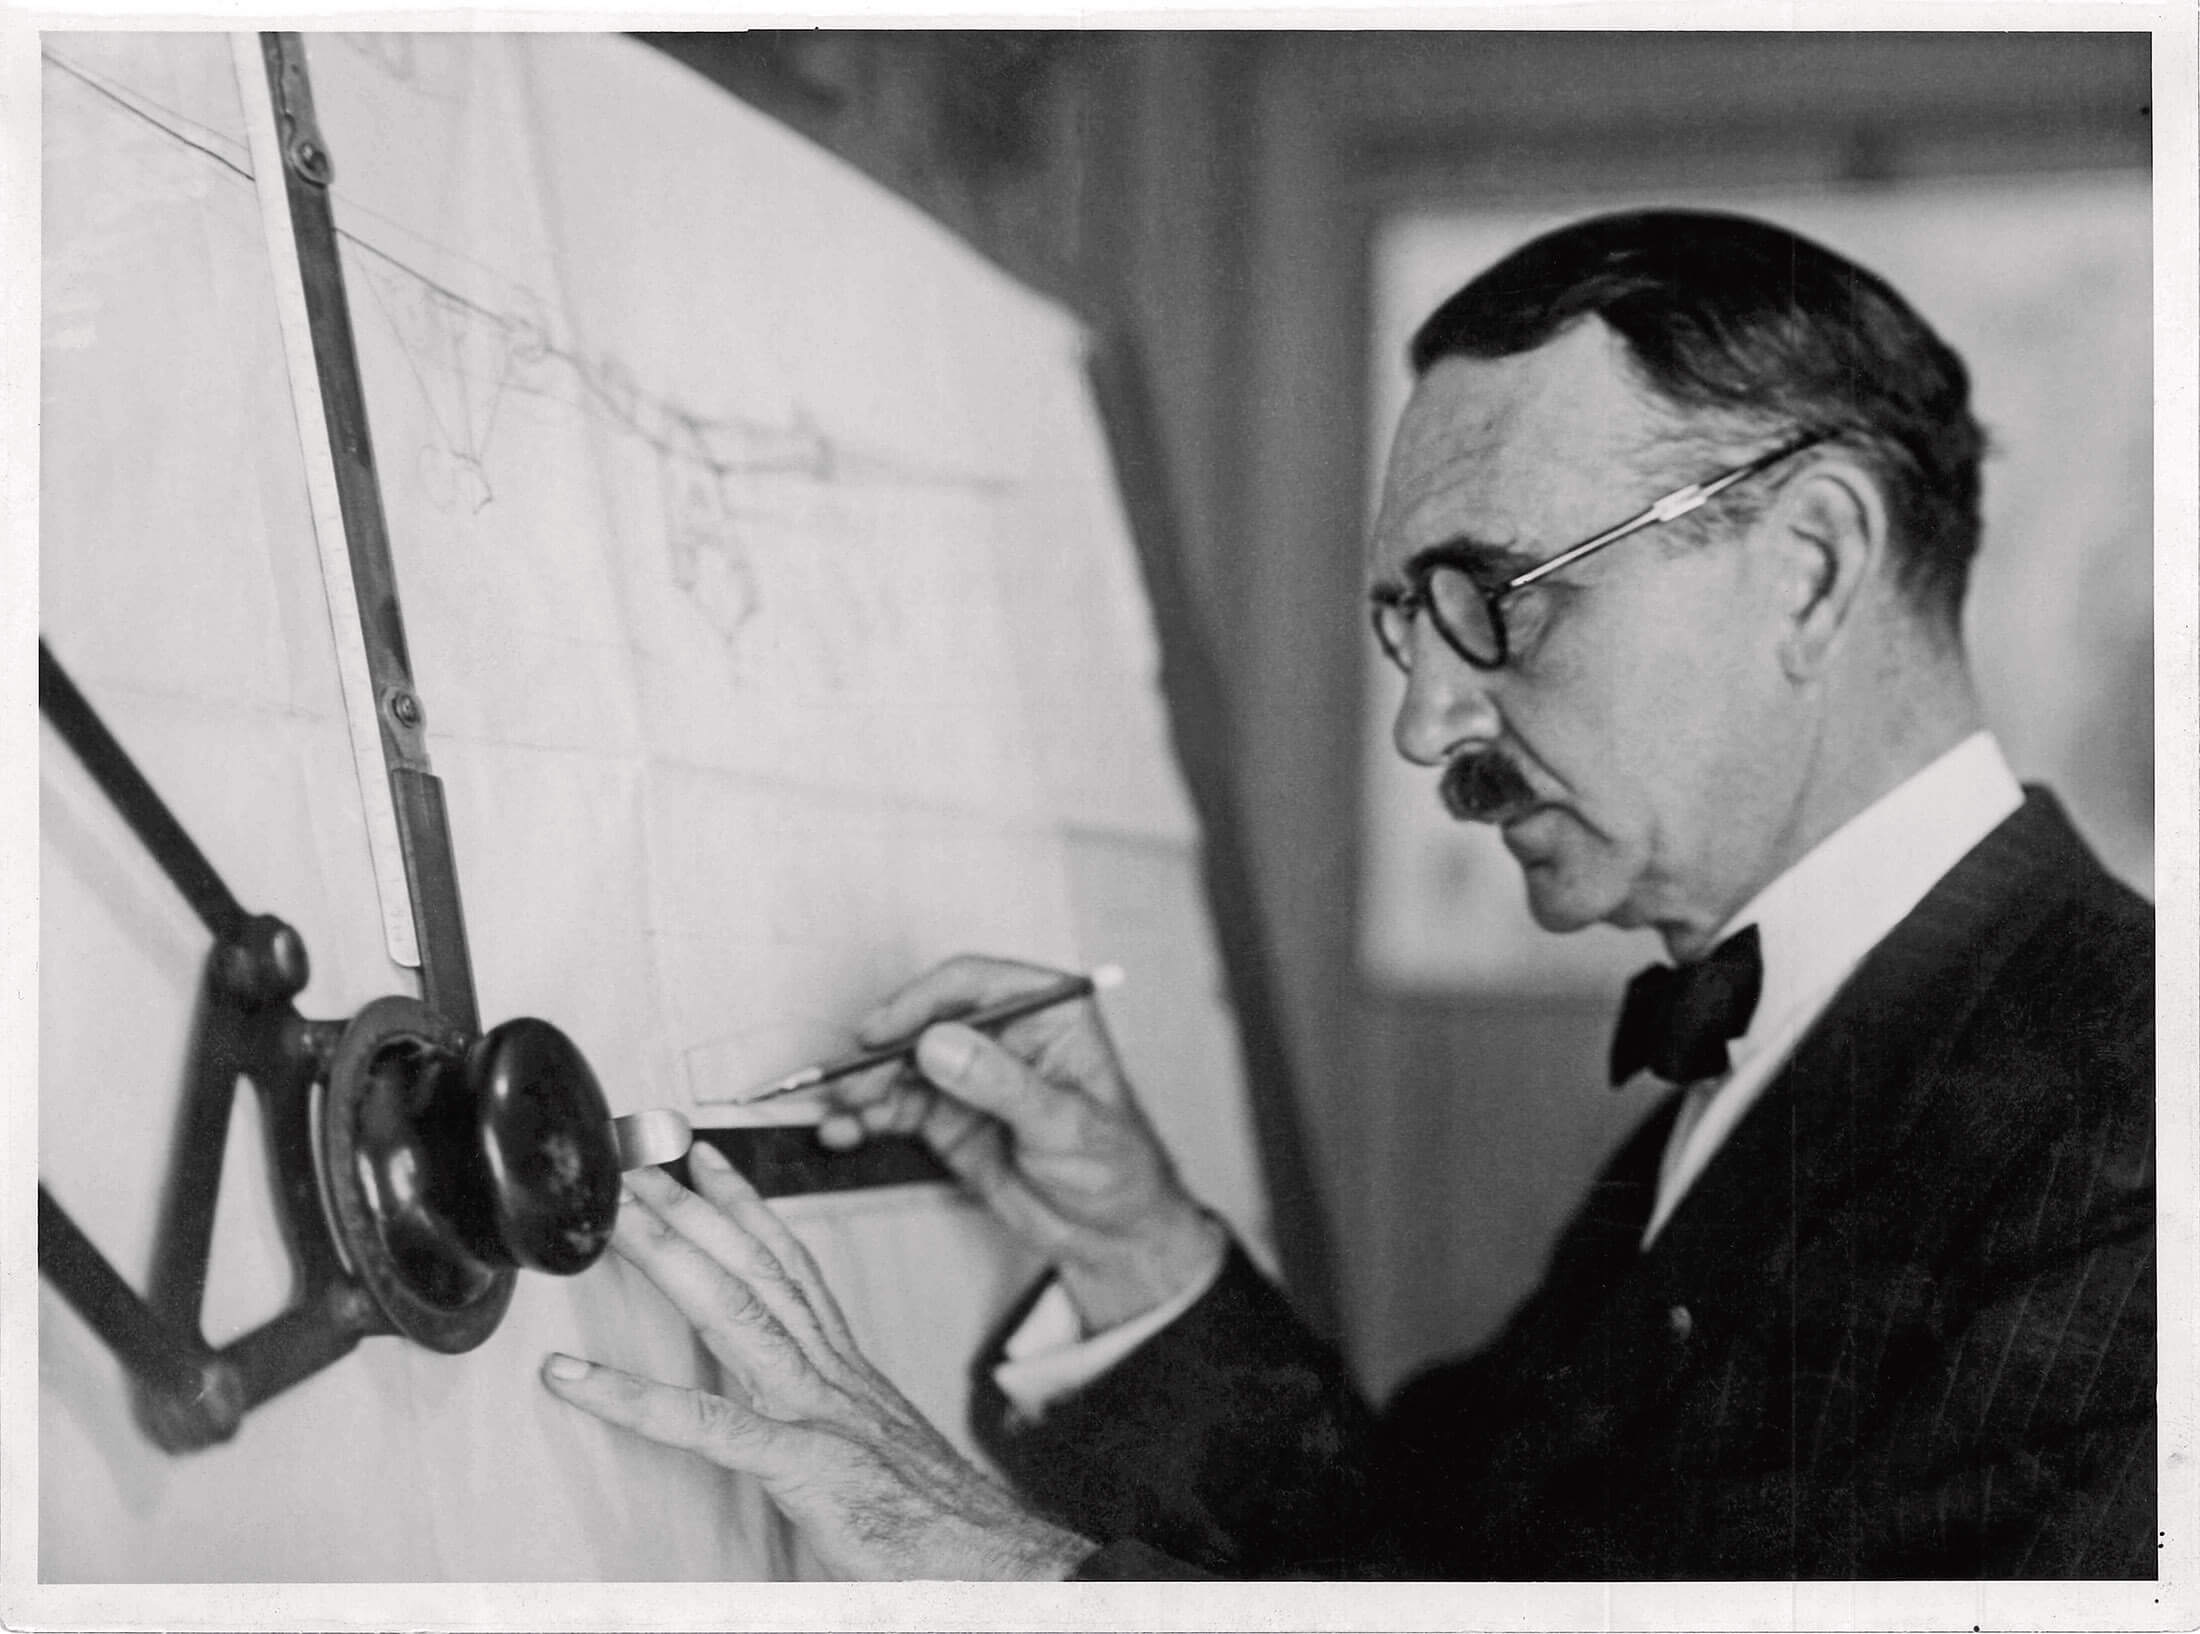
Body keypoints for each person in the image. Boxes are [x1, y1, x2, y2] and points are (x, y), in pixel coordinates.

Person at [538, 210, 2155, 1579]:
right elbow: (1433, 1568)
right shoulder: (1796, 1047)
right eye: (1407, 625)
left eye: (1496, 597)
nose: (1425, 726)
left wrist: (991, 1567)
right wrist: (1136, 1241)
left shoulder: (2141, 1117)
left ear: (1812, 563)